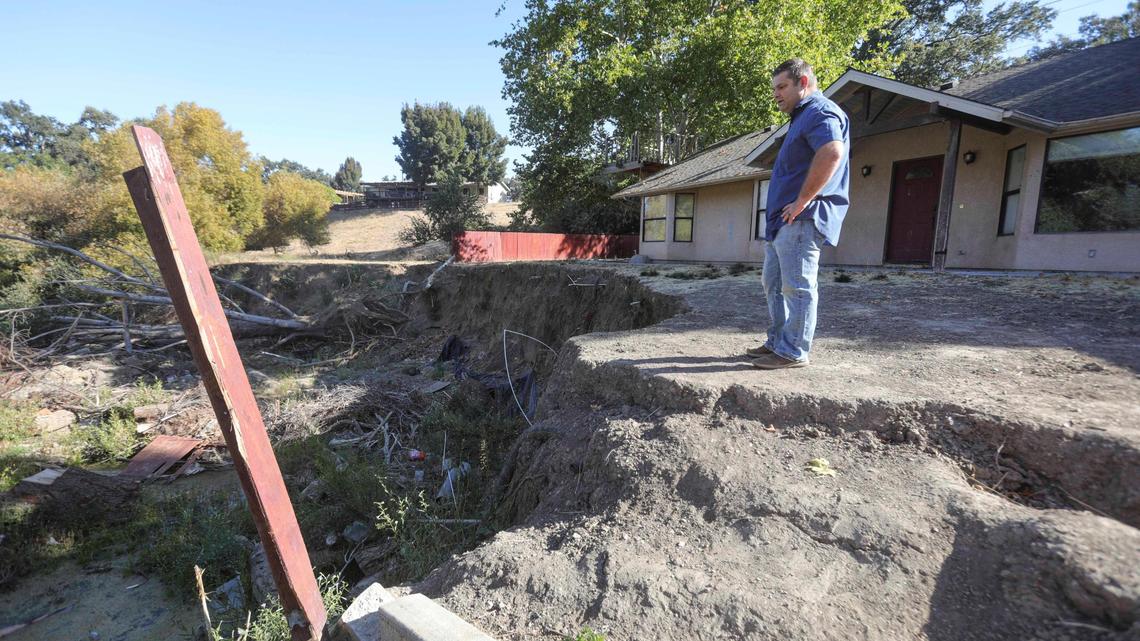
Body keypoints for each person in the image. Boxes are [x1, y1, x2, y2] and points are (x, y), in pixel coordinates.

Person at [749, 58, 850, 370]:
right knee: (774, 283)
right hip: (782, 223)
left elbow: (832, 151)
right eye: (774, 89)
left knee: (797, 287)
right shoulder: (800, 118)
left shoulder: (820, 111)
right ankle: (778, 341)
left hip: (801, 220)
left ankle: (793, 351)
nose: (776, 94)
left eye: (782, 87)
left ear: (803, 83)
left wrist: (803, 200)